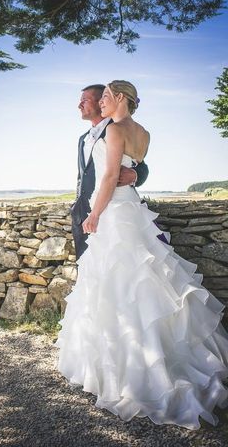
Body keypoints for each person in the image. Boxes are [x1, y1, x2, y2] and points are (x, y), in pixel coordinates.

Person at [55, 80, 228, 430]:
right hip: (125, 210)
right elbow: (103, 170)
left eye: (101, 97)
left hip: (112, 211)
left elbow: (111, 176)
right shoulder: (139, 131)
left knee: (122, 283)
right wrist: (84, 206)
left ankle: (130, 367)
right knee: (140, 278)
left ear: (119, 98)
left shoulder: (114, 129)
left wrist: (95, 213)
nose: (97, 103)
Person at [71, 84, 149, 259]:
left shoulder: (119, 128)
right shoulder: (83, 139)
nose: (79, 105)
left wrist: (136, 174)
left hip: (110, 209)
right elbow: (82, 174)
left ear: (100, 102)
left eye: (84, 100)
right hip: (82, 212)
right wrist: (77, 205)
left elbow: (141, 165)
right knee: (88, 270)